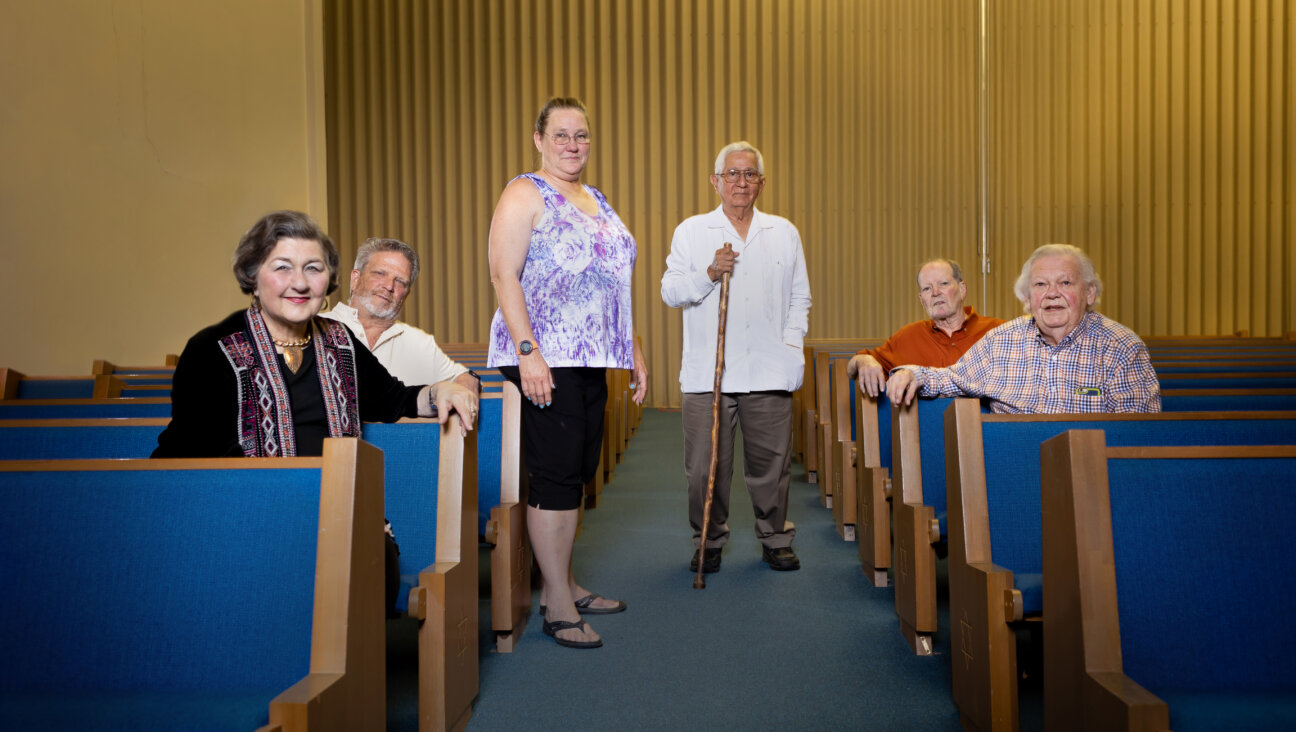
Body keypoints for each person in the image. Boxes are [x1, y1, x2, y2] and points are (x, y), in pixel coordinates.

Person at [152, 210, 476, 615]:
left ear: (330, 279)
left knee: (364, 557)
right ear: (253, 275)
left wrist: (439, 391)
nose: (300, 283)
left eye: (313, 268)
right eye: (282, 267)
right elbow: (184, 454)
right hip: (247, 523)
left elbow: (395, 399)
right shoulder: (211, 350)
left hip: (347, 522)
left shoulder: (340, 341)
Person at [487, 96, 648, 649]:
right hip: (542, 360)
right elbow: (504, 275)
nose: (573, 145)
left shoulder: (596, 199)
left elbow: (614, 285)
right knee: (554, 481)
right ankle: (556, 603)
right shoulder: (525, 192)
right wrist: (529, 351)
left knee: (577, 475)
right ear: (539, 139)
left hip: (589, 359)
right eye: (561, 135)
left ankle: (567, 581)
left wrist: (634, 351)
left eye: (581, 135)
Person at [661, 141, 812, 575]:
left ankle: (775, 537)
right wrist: (709, 273)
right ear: (716, 181)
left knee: (771, 467)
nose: (740, 182)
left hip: (769, 369)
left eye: (749, 175)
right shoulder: (691, 231)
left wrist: (791, 346)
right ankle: (707, 538)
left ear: (761, 183)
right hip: (708, 374)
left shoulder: (783, 231)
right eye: (732, 174)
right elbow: (670, 292)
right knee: (704, 469)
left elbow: (800, 296)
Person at [886, 243, 1160, 413]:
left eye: (1065, 283)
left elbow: (1136, 440)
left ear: (1089, 293)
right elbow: (951, 378)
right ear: (1027, 299)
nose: (1052, 294)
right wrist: (912, 374)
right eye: (1040, 285)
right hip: (1011, 477)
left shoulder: (1122, 348)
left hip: (1091, 485)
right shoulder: (1001, 342)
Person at [321, 237, 481, 413]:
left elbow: (463, 377)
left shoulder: (421, 344)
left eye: (400, 282)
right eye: (379, 273)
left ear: (406, 293)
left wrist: (467, 384)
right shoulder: (314, 328)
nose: (389, 286)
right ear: (355, 278)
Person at [846, 259, 1003, 397]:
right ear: (922, 300)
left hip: (986, 427)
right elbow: (852, 367)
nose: (935, 292)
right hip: (924, 429)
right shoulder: (908, 336)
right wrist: (864, 361)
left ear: (962, 290)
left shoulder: (998, 332)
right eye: (927, 288)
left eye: (943, 283)